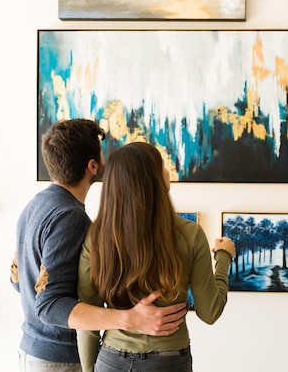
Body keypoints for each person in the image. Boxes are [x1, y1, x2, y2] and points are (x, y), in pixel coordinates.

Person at [11, 119, 187, 372]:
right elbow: (49, 305)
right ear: (93, 166)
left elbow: (18, 280)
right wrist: (130, 319)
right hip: (60, 359)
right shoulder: (70, 217)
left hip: (33, 349)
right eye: (101, 155)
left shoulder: (34, 205)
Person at [77, 142, 236, 372]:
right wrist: (224, 257)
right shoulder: (189, 234)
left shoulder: (96, 236)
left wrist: (88, 369)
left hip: (111, 360)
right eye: (161, 165)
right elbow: (210, 312)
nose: (167, 171)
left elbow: (88, 317)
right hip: (168, 361)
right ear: (150, 180)